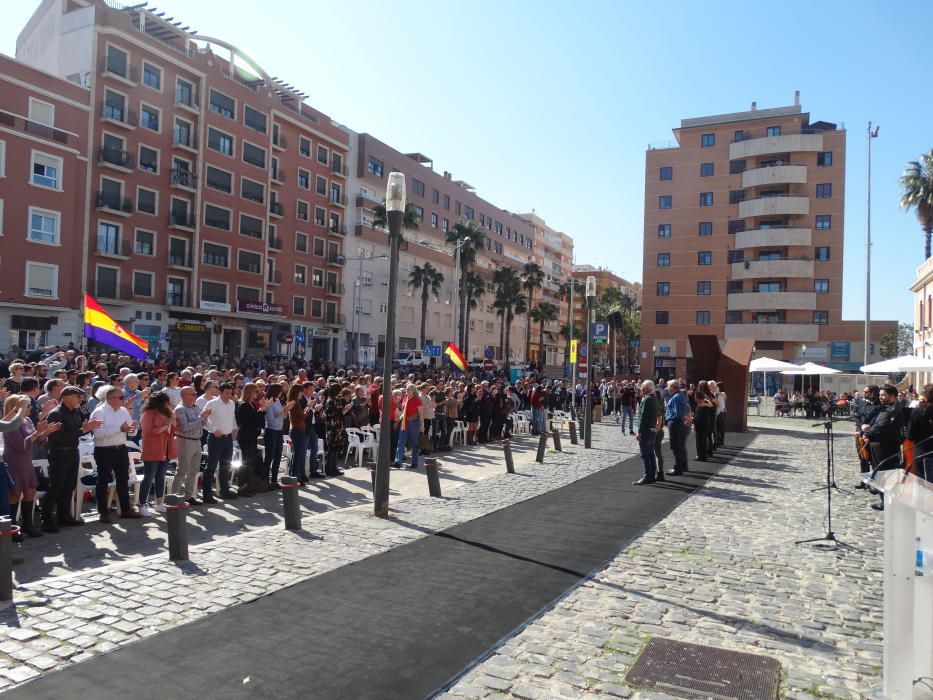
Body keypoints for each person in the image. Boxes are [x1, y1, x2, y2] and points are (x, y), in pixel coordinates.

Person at [43, 387, 102, 531]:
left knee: (69, 486)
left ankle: (64, 516)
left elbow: (78, 430)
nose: (81, 399)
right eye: (78, 396)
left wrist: (84, 428)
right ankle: (47, 520)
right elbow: (58, 438)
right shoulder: (56, 414)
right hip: (59, 454)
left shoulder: (75, 412)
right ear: (67, 397)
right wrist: (83, 430)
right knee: (56, 487)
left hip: (72, 452)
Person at [3, 394, 56, 538]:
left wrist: (45, 432)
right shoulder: (10, 423)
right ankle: (12, 527)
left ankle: (27, 524)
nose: (31, 407)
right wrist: (38, 433)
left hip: (26, 461)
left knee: (30, 490)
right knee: (14, 494)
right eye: (28, 405)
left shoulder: (26, 420)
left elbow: (36, 440)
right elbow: (21, 445)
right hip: (14, 461)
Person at [89, 385, 140, 522]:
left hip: (121, 448)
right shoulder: (99, 412)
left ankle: (125, 509)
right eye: (121, 398)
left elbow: (130, 431)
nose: (123, 400)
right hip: (104, 450)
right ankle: (103, 512)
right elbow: (98, 434)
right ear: (110, 398)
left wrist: (133, 428)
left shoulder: (123, 410)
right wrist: (120, 429)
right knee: (103, 480)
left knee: (123, 479)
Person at [862, 384, 905, 510]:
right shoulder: (886, 407)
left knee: (884, 474)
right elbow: (877, 423)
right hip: (879, 444)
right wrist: (868, 429)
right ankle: (884, 499)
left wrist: (868, 433)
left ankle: (886, 501)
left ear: (892, 396)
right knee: (881, 473)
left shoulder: (893, 410)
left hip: (885, 447)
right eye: (880, 395)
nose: (880, 397)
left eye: (883, 395)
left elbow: (881, 426)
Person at [139, 391, 175, 516]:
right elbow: (149, 431)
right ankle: (142, 504)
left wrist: (172, 420)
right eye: (166, 401)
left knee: (161, 476)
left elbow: (175, 427)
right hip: (152, 449)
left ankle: (159, 503)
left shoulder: (167, 413)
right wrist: (166, 425)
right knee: (149, 477)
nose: (168, 404)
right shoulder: (148, 413)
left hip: (166, 448)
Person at [202, 382, 238, 503]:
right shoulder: (212, 403)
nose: (230, 395)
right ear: (221, 392)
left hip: (228, 439)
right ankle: (207, 494)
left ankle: (224, 491)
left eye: (231, 392)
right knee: (211, 466)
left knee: (225, 466)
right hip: (216, 438)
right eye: (227, 393)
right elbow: (203, 419)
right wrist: (214, 429)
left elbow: (232, 418)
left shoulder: (232, 403)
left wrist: (234, 429)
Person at [173, 386, 204, 505]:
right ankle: (174, 497)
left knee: (194, 469)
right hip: (185, 441)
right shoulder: (180, 409)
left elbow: (202, 423)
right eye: (192, 394)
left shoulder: (195, 407)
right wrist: (201, 418)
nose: (195, 396)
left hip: (196, 440)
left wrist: (204, 417)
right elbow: (185, 428)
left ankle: (188, 496)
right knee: (182, 470)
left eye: (195, 394)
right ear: (184, 396)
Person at [235, 383, 265, 495]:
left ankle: (249, 484)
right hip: (245, 437)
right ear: (249, 392)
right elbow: (250, 421)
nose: (257, 394)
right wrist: (262, 410)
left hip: (252, 436)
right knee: (245, 461)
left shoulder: (251, 404)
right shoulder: (243, 405)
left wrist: (262, 410)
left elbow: (259, 421)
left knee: (250, 461)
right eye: (255, 391)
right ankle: (242, 486)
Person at [262, 384, 292, 488]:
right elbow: (271, 421)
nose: (281, 392)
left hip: (279, 431)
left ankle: (274, 480)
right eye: (279, 391)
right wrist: (282, 412)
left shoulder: (278, 400)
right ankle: (265, 480)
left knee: (278, 456)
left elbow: (282, 418)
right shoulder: (269, 403)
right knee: (269, 456)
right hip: (271, 431)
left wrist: (286, 411)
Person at [633, 380, 660, 485]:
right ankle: (652, 475)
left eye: (642, 388)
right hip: (652, 429)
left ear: (647, 389)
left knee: (645, 454)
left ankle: (647, 476)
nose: (640, 389)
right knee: (650, 453)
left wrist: (639, 432)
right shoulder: (654, 398)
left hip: (646, 430)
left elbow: (644, 417)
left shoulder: (647, 399)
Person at [394, 383, 424, 469]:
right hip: (404, 423)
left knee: (415, 443)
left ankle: (414, 462)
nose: (407, 390)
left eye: (409, 389)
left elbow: (421, 414)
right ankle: (397, 462)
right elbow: (403, 412)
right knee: (401, 443)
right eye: (407, 389)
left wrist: (422, 425)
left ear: (414, 391)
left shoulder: (417, 400)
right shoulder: (404, 399)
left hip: (414, 423)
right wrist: (398, 420)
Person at [664, 379, 690, 476]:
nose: (667, 389)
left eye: (668, 386)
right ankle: (682, 466)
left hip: (675, 423)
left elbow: (679, 413)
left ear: (672, 387)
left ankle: (678, 468)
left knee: (675, 446)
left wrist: (683, 422)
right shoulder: (679, 395)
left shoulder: (676, 397)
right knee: (679, 446)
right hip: (677, 423)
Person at [908, 384, 933, 483]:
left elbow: (910, 435)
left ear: (925, 396)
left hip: (921, 452)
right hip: (924, 453)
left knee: (922, 486)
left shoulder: (917, 412)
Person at [323, 384, 348, 477]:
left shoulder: (338, 400)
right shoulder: (330, 401)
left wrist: (345, 410)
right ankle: (329, 468)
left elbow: (340, 413)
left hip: (338, 427)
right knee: (331, 448)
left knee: (336, 447)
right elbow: (329, 415)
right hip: (332, 428)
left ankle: (334, 467)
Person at [286, 384, 308, 484]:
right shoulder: (295, 402)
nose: (302, 394)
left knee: (297, 454)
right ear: (296, 392)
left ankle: (296, 475)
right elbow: (302, 416)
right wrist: (309, 407)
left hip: (297, 429)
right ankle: (295, 476)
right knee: (297, 454)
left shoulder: (295, 402)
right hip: (297, 430)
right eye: (301, 392)